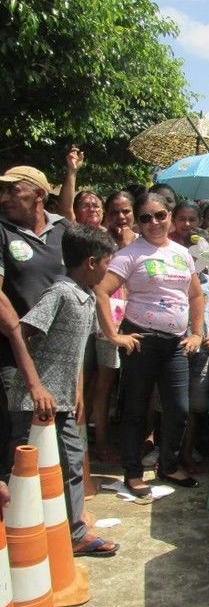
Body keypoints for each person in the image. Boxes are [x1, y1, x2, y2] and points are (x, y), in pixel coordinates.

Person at [7, 224, 119, 556]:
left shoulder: (86, 297)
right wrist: (35, 386)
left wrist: (78, 394)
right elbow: (22, 332)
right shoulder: (61, 293)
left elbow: (77, 355)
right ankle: (19, 533)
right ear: (91, 262)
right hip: (34, 402)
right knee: (26, 469)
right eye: (106, 264)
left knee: (71, 463)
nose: (107, 271)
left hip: (65, 403)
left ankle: (73, 532)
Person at [94, 192, 205, 496]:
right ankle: (132, 471)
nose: (154, 222)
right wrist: (114, 335)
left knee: (179, 409)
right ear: (138, 223)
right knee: (134, 409)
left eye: (160, 215)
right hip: (140, 341)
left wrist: (196, 333)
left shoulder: (182, 254)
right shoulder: (130, 254)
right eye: (145, 217)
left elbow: (195, 295)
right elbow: (101, 291)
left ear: (169, 216)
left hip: (175, 346)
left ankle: (167, 465)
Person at [0, 166, 69, 475]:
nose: (4, 198)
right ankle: (14, 516)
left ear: (39, 194)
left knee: (60, 437)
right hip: (13, 355)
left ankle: (64, 513)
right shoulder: (2, 230)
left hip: (59, 356)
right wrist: (31, 378)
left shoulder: (65, 230)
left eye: (14, 190)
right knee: (18, 437)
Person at [169, 202, 209, 469]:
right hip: (177, 346)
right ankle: (167, 451)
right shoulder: (175, 275)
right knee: (172, 404)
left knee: (195, 407)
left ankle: (187, 452)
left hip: (201, 350)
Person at [91, 190, 138, 464]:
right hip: (107, 319)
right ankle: (101, 441)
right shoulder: (99, 241)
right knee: (104, 383)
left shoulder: (144, 241)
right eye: (114, 212)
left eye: (126, 211)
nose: (120, 217)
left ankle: (140, 441)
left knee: (136, 384)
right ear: (107, 215)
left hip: (137, 317)